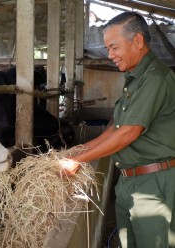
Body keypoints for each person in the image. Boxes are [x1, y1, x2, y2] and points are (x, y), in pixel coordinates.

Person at [61, 11, 175, 247]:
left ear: (138, 41)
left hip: (152, 184)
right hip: (128, 180)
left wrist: (78, 161)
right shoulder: (135, 77)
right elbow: (115, 129)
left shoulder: (155, 78)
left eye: (114, 47)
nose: (109, 55)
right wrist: (77, 151)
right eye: (107, 48)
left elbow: (129, 132)